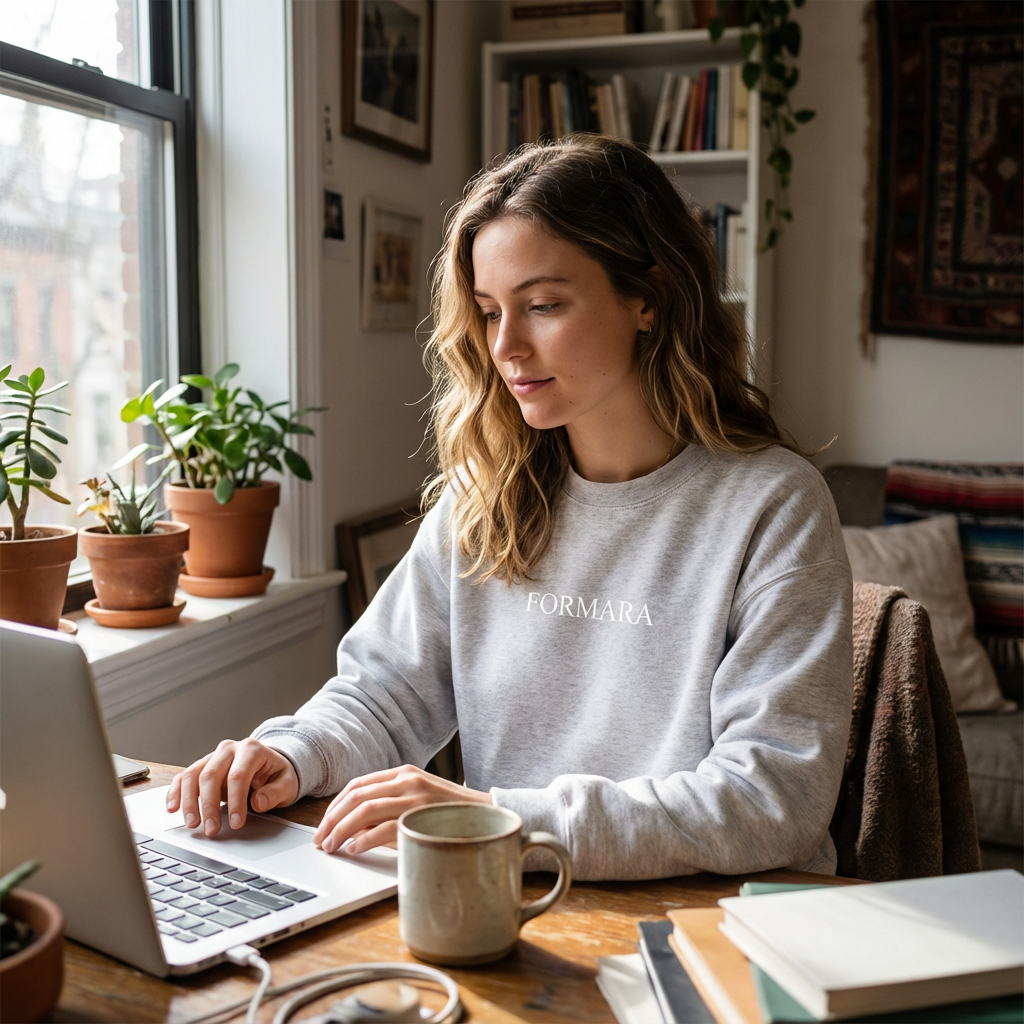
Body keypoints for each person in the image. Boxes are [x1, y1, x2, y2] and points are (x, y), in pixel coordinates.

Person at [169, 135, 854, 881]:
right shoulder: (486, 494)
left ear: (649, 298)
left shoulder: (774, 507)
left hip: (710, 914)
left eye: (543, 305)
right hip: (518, 893)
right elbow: (386, 694)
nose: (506, 347)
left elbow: (771, 797)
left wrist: (499, 822)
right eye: (491, 312)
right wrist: (293, 753)